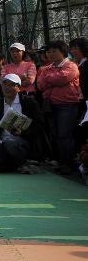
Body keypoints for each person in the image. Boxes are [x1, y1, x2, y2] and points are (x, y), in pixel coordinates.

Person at [36, 40, 81, 173]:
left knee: (65, 134)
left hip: (67, 105)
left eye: (54, 51)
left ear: (63, 52)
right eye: (48, 52)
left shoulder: (71, 66)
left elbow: (61, 79)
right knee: (56, 134)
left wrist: (48, 78)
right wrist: (52, 80)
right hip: (51, 105)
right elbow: (40, 85)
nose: (50, 54)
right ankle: (62, 162)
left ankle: (70, 164)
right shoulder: (47, 68)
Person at [0, 74, 46, 174]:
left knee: (10, 142)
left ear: (18, 87)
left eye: (11, 85)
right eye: (4, 84)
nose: (7, 88)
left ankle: (24, 163)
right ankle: (15, 164)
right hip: (1, 143)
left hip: (22, 142)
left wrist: (22, 132)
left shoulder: (29, 102)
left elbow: (40, 125)